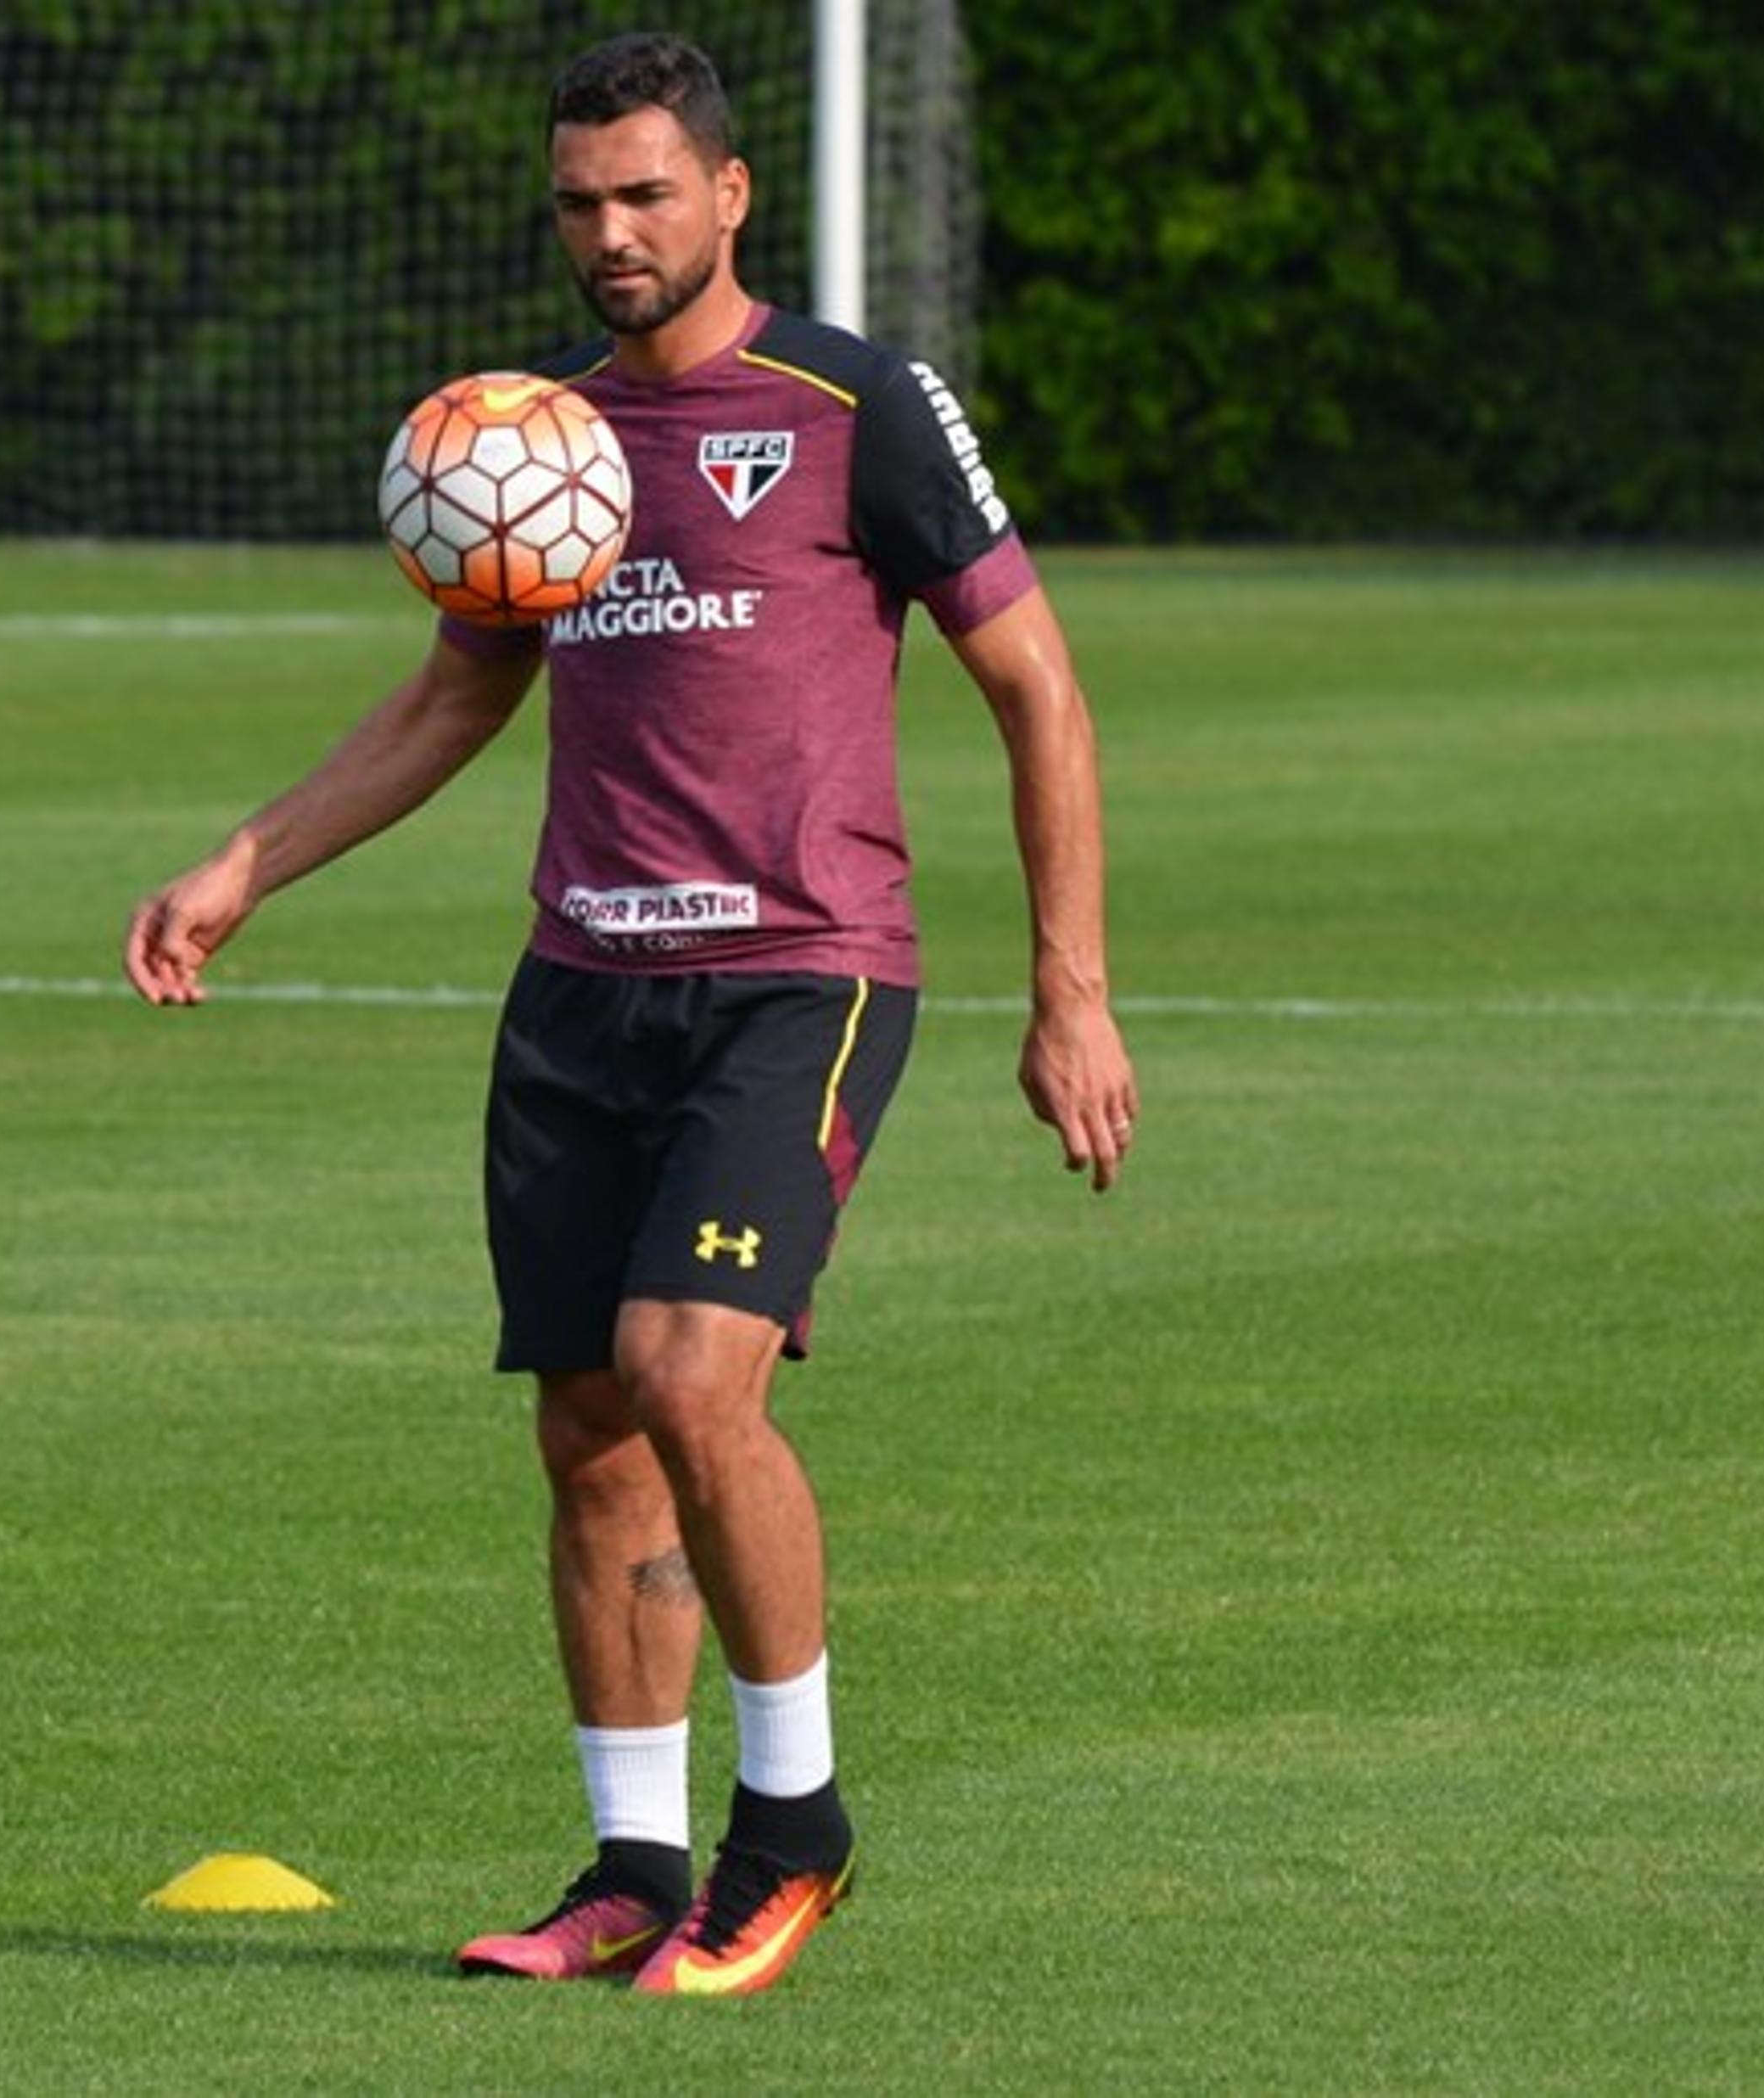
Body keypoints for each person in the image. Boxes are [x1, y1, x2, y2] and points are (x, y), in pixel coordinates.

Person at [124, 30, 1136, 1998]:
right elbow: (451, 702)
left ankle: (798, 1827)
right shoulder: (538, 440)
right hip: (582, 986)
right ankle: (631, 1865)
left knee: (691, 1376)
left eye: (647, 192)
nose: (610, 230)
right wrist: (245, 862)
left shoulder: (855, 403)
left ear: (730, 193)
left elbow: (1039, 688)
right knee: (591, 1432)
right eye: (580, 200)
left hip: (800, 974)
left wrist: (1070, 994)